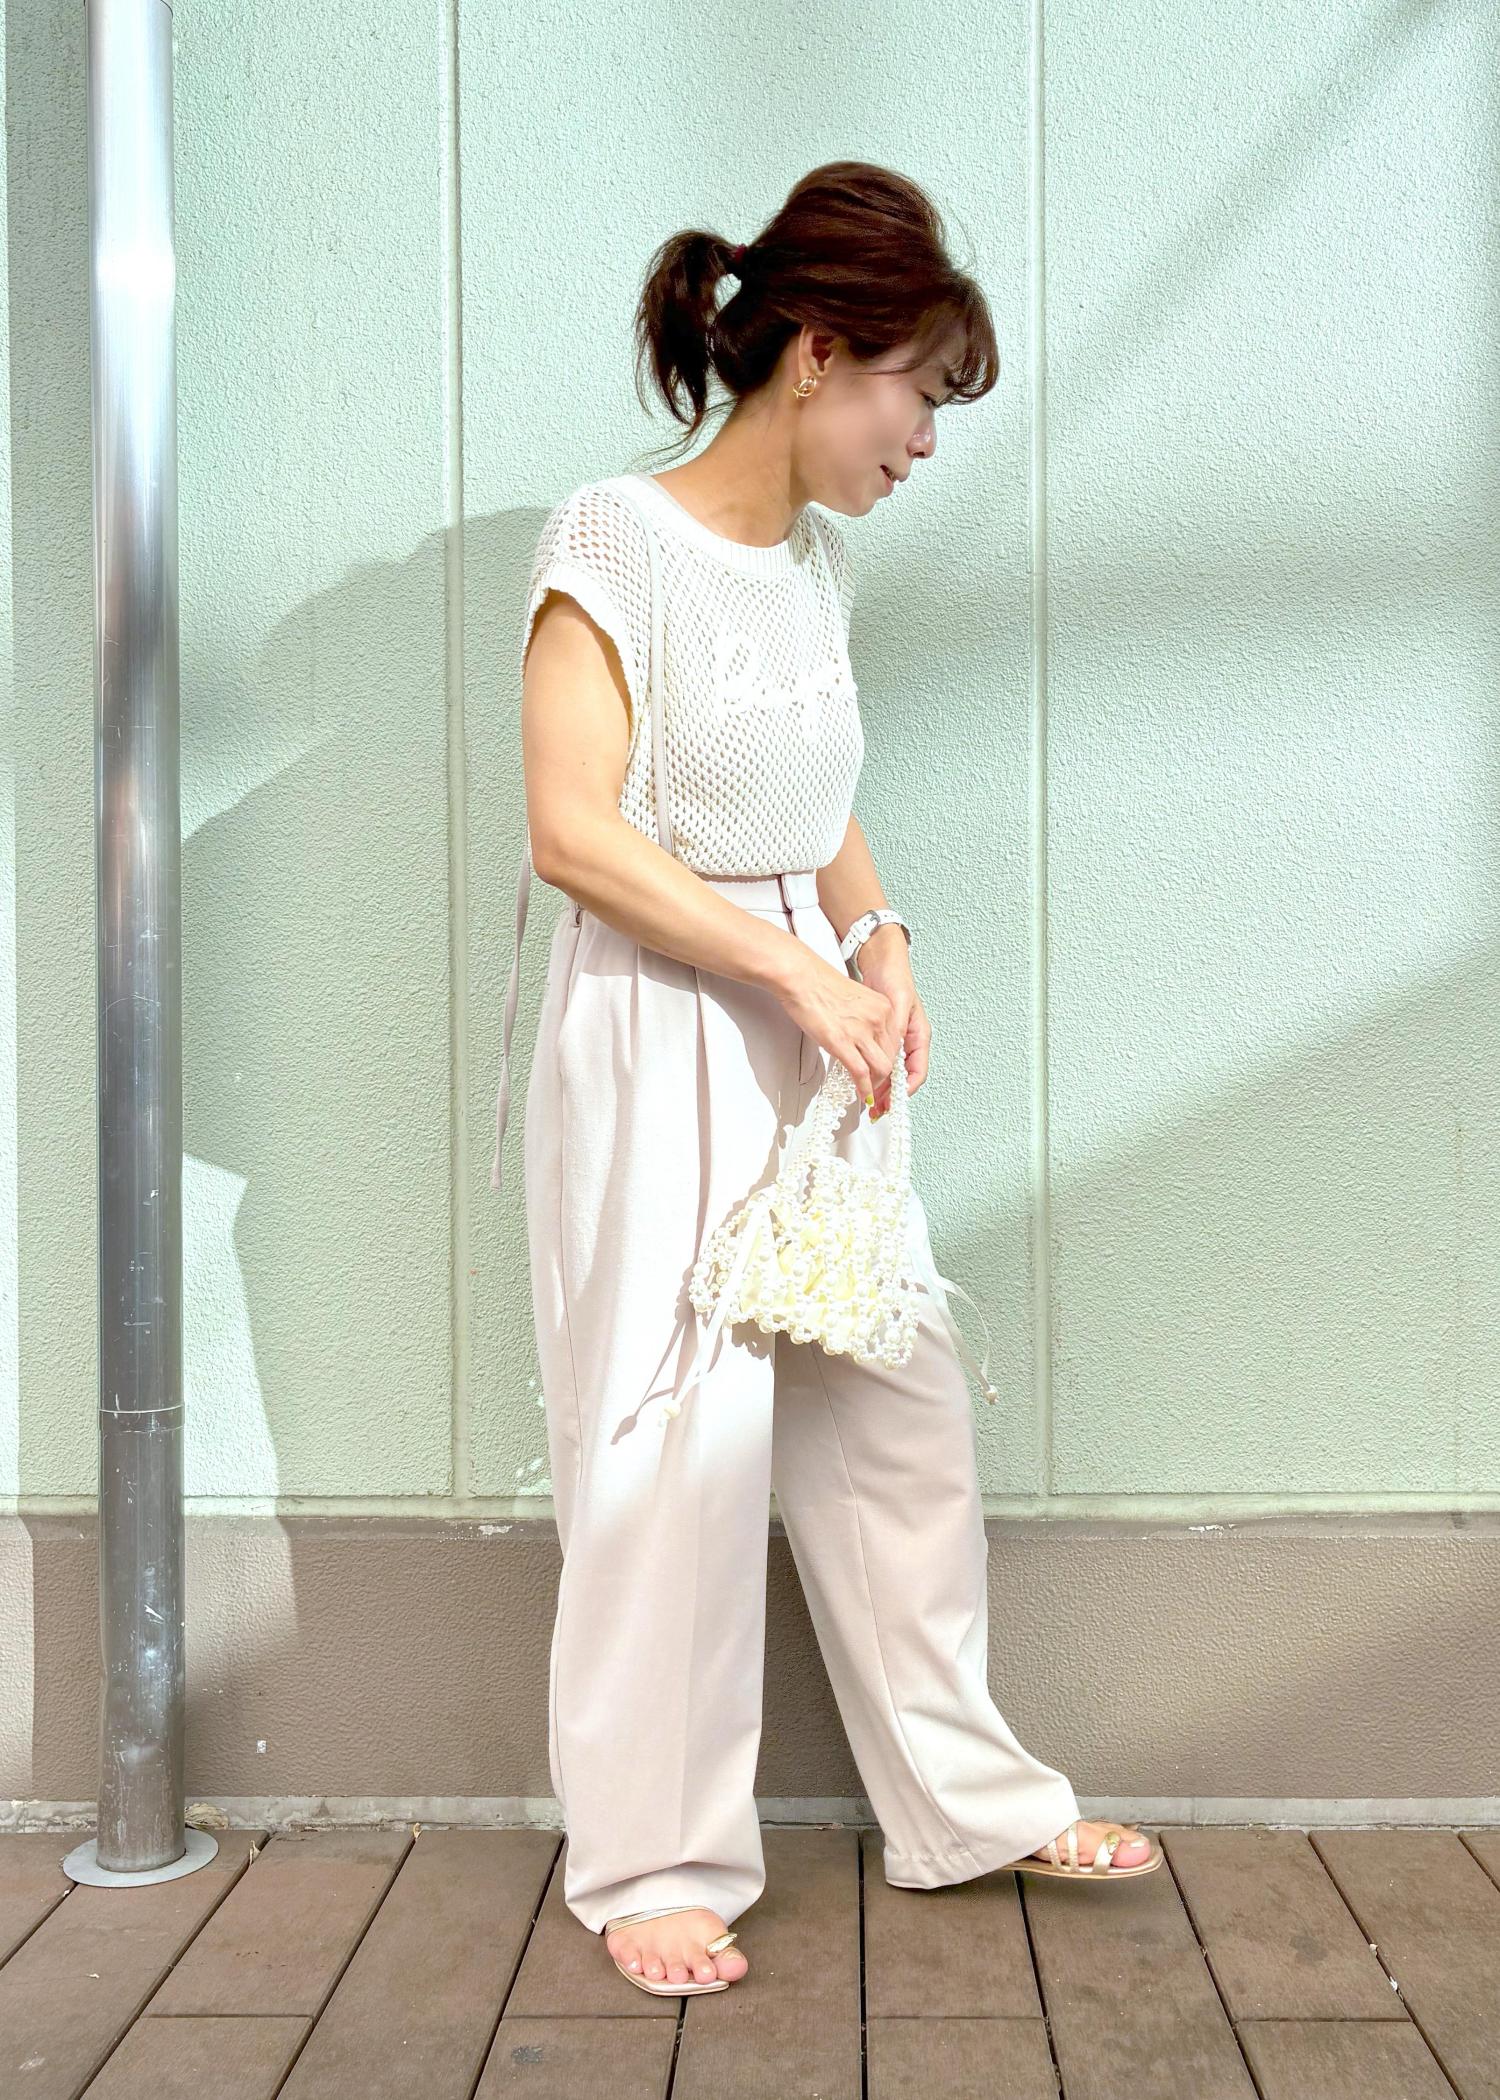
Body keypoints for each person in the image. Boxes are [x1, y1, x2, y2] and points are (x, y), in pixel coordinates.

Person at [491, 159, 1161, 2000]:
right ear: (814, 354)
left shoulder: (813, 566)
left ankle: (967, 1801)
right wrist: (793, 966)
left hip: (815, 1030)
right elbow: (571, 831)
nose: (926, 442)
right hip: (663, 1019)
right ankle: (651, 1862)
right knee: (671, 1443)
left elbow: (814, 791)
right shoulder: (612, 541)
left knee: (896, 1409)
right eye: (917, 394)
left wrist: (881, 937)